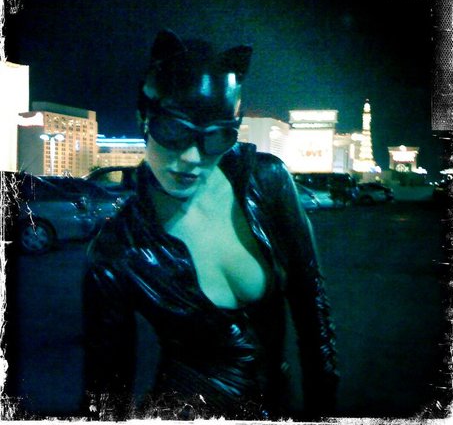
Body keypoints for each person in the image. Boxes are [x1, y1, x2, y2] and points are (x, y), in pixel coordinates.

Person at [83, 29, 338, 421]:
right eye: (173, 131)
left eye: (216, 138)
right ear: (143, 120)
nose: (190, 157)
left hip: (277, 404)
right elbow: (105, 396)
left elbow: (312, 308)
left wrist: (323, 410)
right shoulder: (117, 249)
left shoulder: (265, 182)